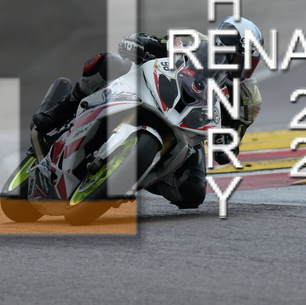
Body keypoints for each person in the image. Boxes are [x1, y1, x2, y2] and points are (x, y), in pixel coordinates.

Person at [32, 16, 263, 209]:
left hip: (190, 127)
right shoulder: (193, 41)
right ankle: (57, 113)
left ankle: (138, 171)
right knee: (107, 62)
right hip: (155, 88)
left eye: (248, 62)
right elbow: (151, 42)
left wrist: (226, 143)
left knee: (192, 193)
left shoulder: (248, 99)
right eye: (237, 58)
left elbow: (231, 143)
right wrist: (139, 44)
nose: (239, 66)